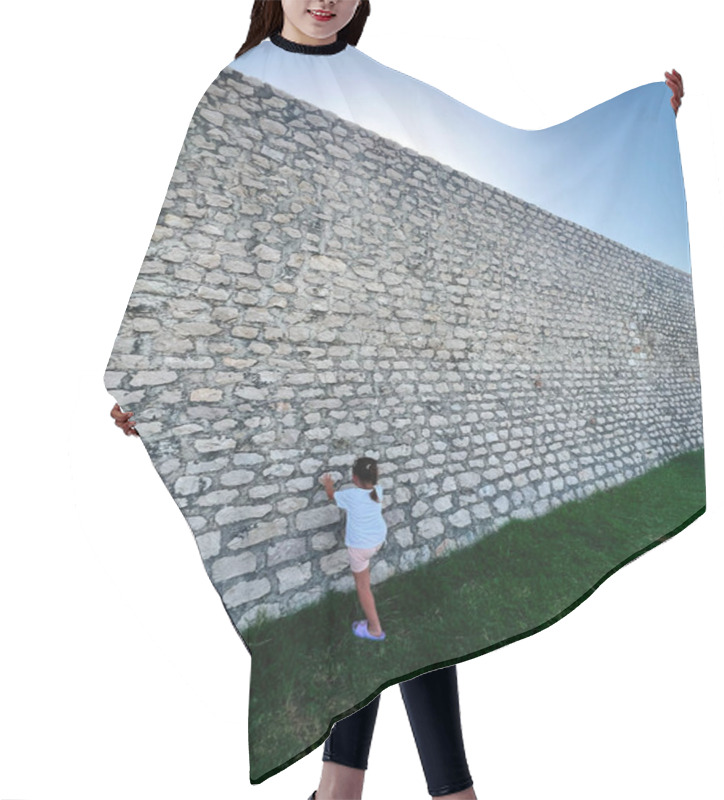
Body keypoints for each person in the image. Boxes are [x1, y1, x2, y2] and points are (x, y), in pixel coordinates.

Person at [110, 2, 685, 798]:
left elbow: (500, 159)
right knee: (367, 593)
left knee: (398, 586)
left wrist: (639, 125)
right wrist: (157, 380)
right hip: (302, 389)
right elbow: (199, 247)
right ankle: (420, 791)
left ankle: (355, 790)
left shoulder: (378, 89)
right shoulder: (239, 88)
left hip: (375, 379)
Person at [322, 458, 388, 641]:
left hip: (360, 546)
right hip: (377, 540)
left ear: (354, 478)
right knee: (364, 575)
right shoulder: (378, 490)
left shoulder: (350, 495)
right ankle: (372, 623)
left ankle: (375, 629)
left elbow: (331, 495)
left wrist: (328, 484)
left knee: (362, 586)